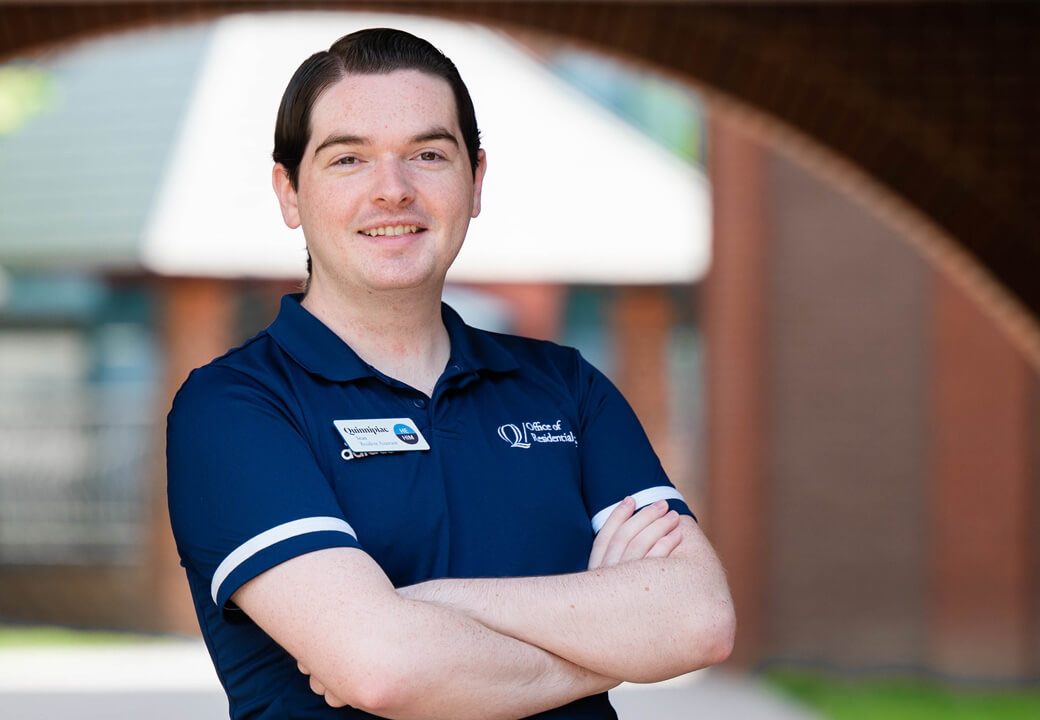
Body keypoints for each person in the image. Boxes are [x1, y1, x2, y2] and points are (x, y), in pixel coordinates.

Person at [166, 27, 734, 720]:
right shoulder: (235, 409)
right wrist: (611, 630)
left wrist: (433, 603)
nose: (393, 191)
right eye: (349, 159)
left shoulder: (566, 387)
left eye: (428, 154)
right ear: (289, 192)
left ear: (475, 181)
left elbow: (697, 619)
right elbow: (382, 669)